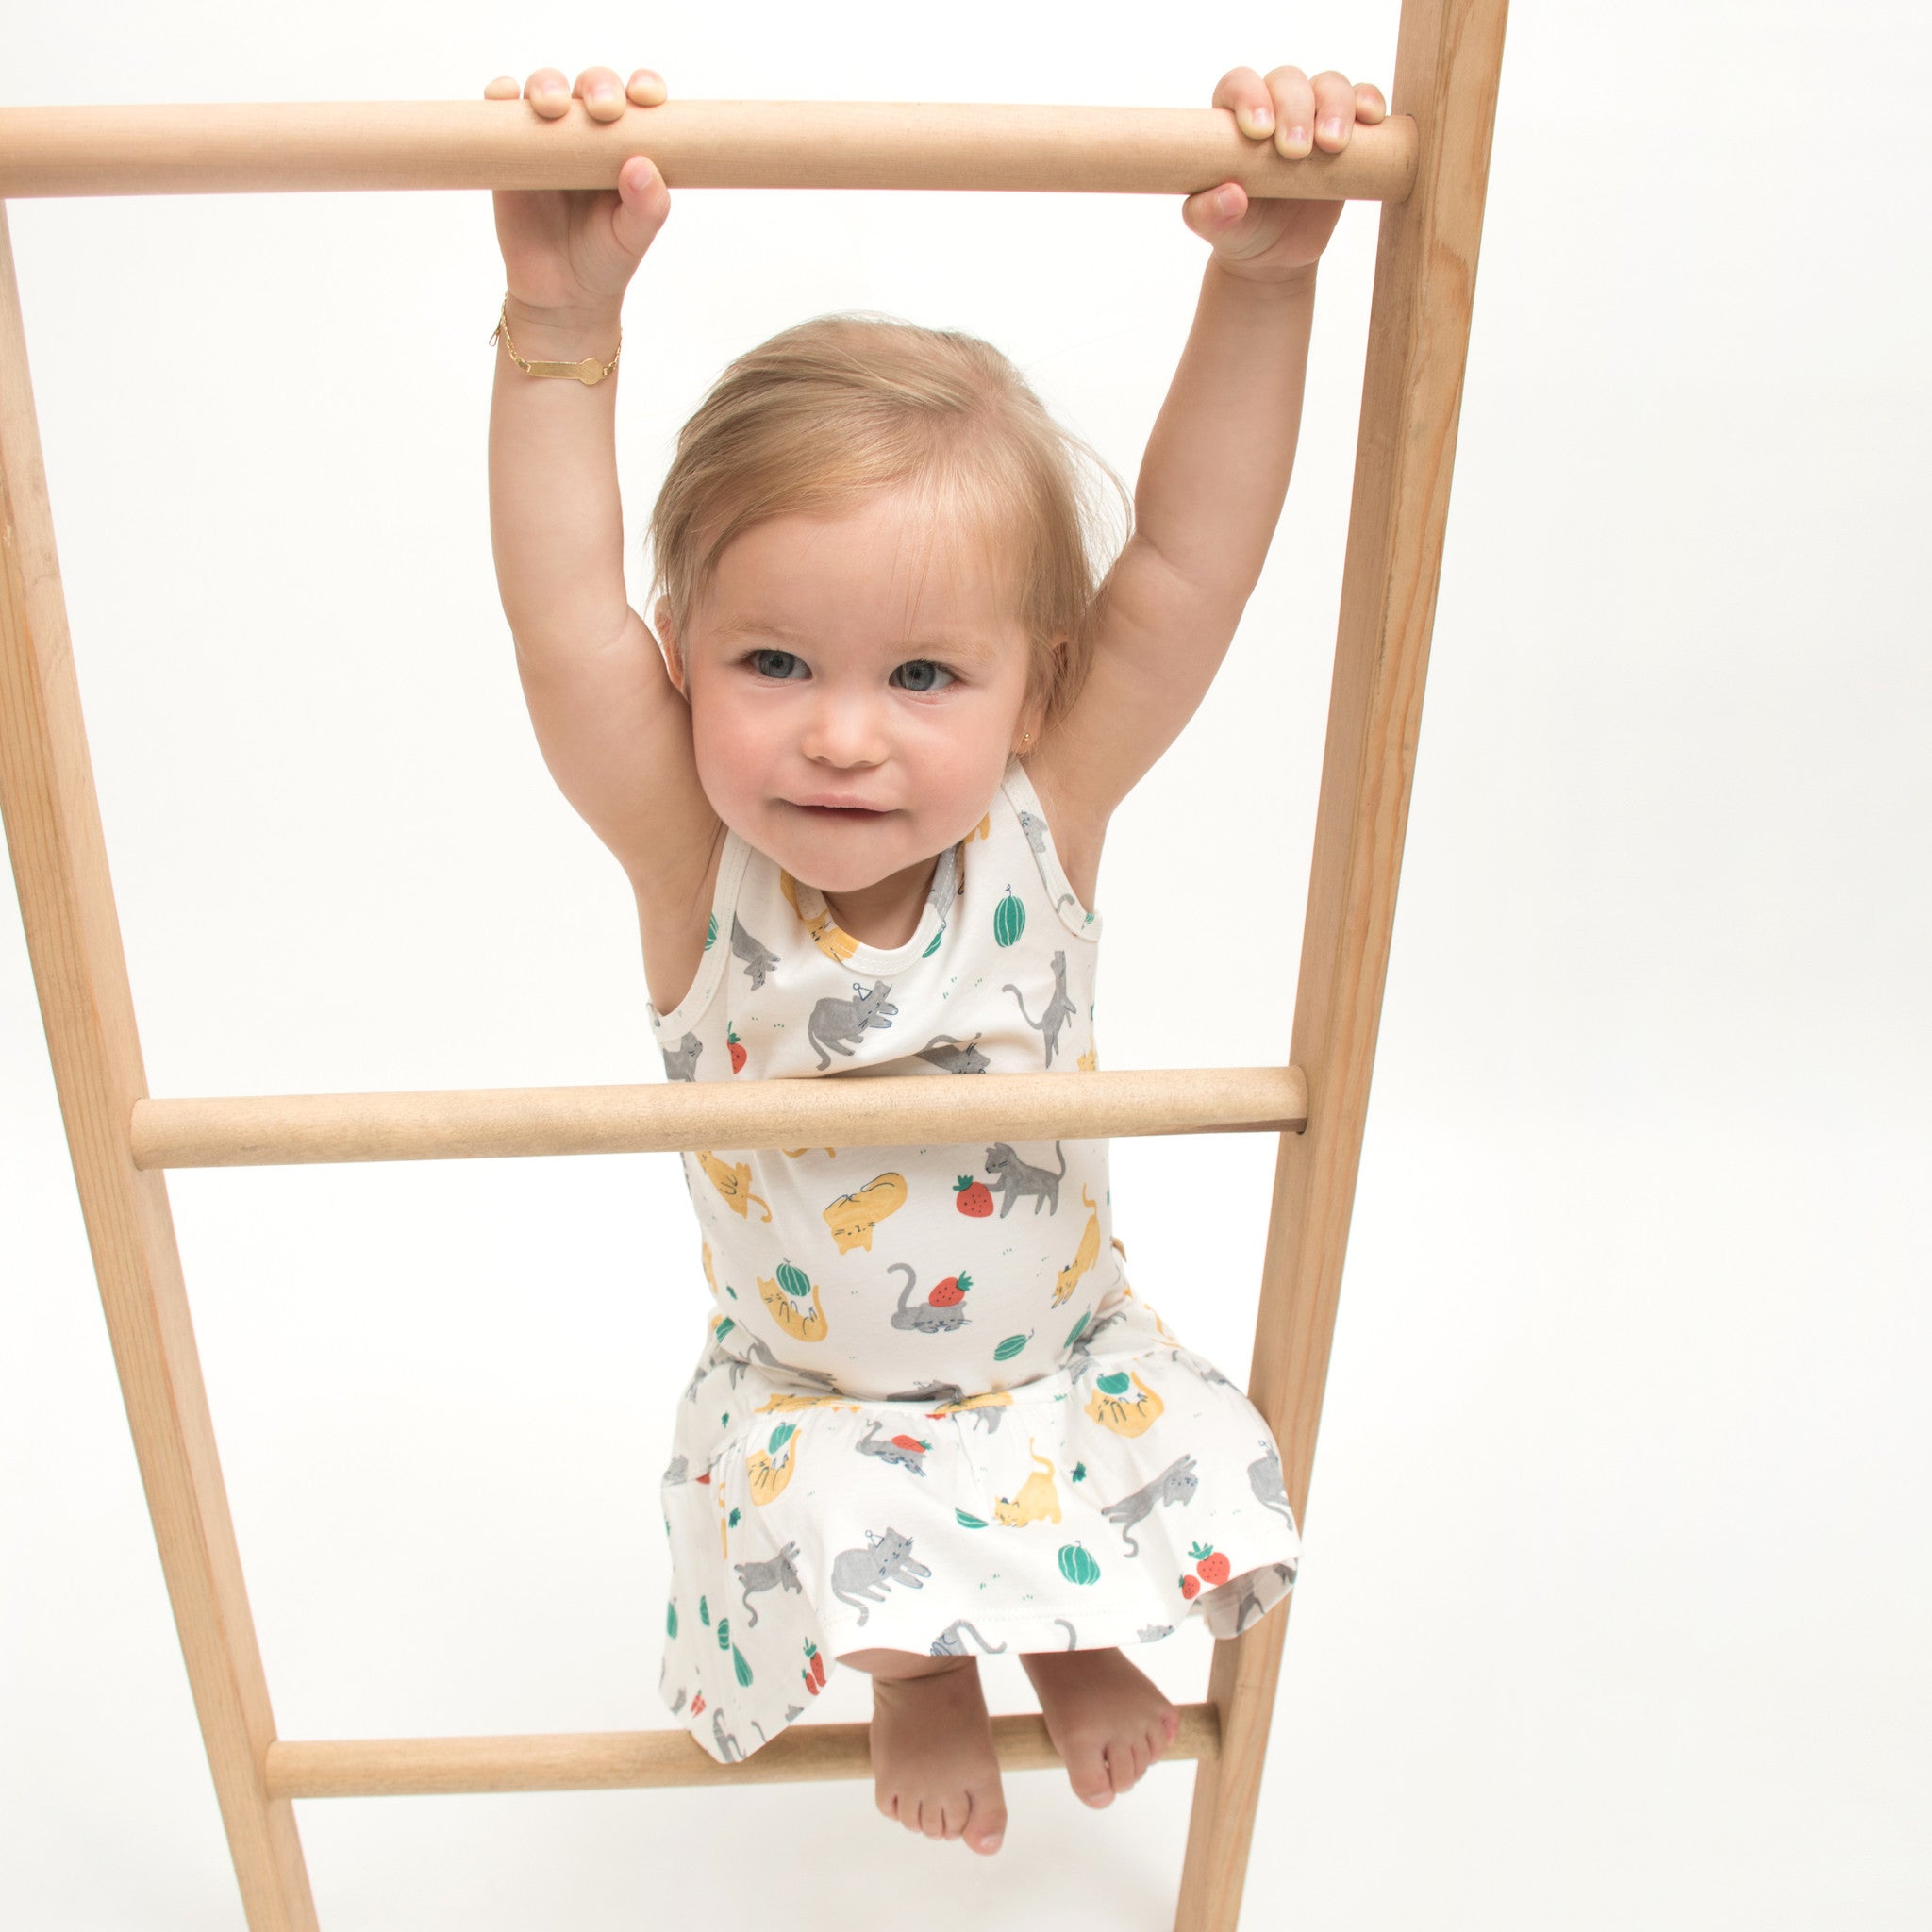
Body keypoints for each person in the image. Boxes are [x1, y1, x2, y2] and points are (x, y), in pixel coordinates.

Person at [484, 58, 1385, 1856]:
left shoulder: (1042, 814)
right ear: (681, 655)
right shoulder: (697, 865)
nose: (841, 736)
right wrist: (558, 332)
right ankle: (917, 1675)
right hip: (826, 1400)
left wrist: (1264, 286)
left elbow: (1188, 567)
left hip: (1055, 1360)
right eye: (773, 664)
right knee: (849, 1508)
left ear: (1035, 685)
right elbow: (559, 611)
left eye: (922, 675)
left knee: (1115, 1438)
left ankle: (1072, 1631)